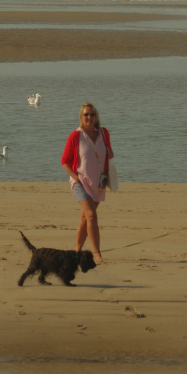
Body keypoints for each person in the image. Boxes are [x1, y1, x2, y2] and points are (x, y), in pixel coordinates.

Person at [61, 102, 114, 264]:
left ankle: (76, 252)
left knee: (85, 218)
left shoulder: (104, 133)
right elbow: (65, 162)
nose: (89, 117)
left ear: (96, 117)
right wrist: (75, 177)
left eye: (92, 114)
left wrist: (107, 152)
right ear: (81, 117)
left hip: (98, 182)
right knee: (91, 215)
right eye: (86, 115)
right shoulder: (75, 136)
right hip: (80, 182)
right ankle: (97, 254)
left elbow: (110, 154)